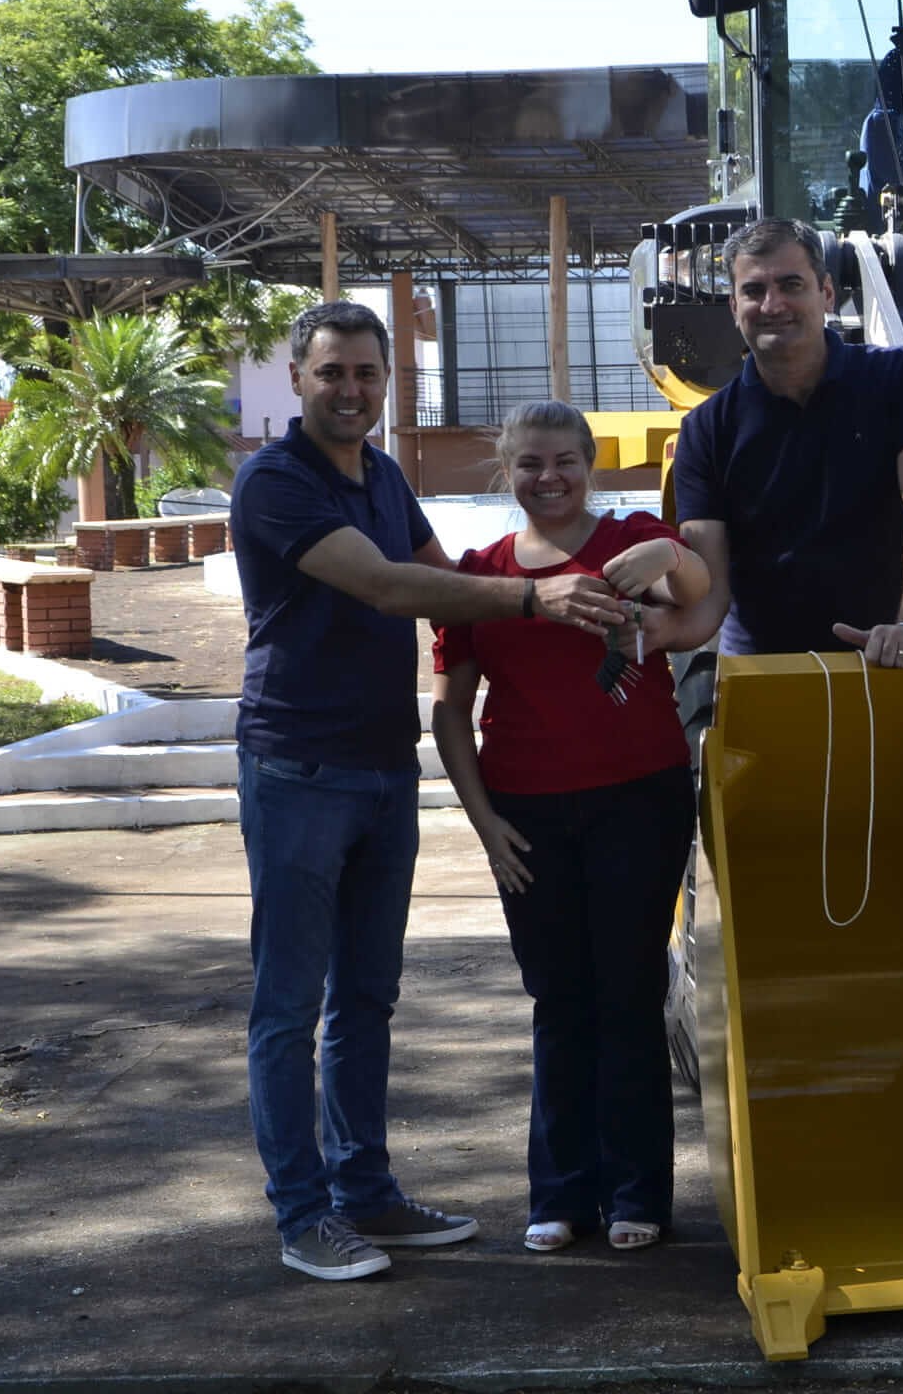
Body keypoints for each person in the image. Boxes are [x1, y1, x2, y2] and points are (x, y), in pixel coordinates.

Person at [231, 300, 631, 1282]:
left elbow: (450, 584)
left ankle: (366, 1193)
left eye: (368, 373)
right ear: (298, 377)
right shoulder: (275, 483)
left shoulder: (383, 474)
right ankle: (302, 1215)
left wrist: (586, 613)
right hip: (298, 769)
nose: (352, 390)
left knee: (367, 997)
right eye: (333, 373)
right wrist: (539, 595)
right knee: (290, 1005)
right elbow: (389, 588)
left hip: (381, 768)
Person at [429, 400, 708, 1256]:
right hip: (528, 814)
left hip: (639, 799)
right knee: (560, 1000)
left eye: (564, 462)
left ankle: (638, 1195)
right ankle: (559, 1192)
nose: (548, 479)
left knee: (627, 996)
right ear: (506, 473)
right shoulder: (482, 575)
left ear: (589, 465)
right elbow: (449, 713)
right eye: (529, 465)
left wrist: (672, 554)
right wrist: (485, 826)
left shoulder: (630, 541)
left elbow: (697, 602)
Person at [661, 217, 903, 669]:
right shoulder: (705, 429)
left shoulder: (900, 378)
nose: (773, 304)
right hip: (764, 677)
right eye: (754, 291)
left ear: (826, 293)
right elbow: (710, 588)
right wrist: (655, 631)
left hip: (886, 664)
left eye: (791, 285)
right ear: (733, 306)